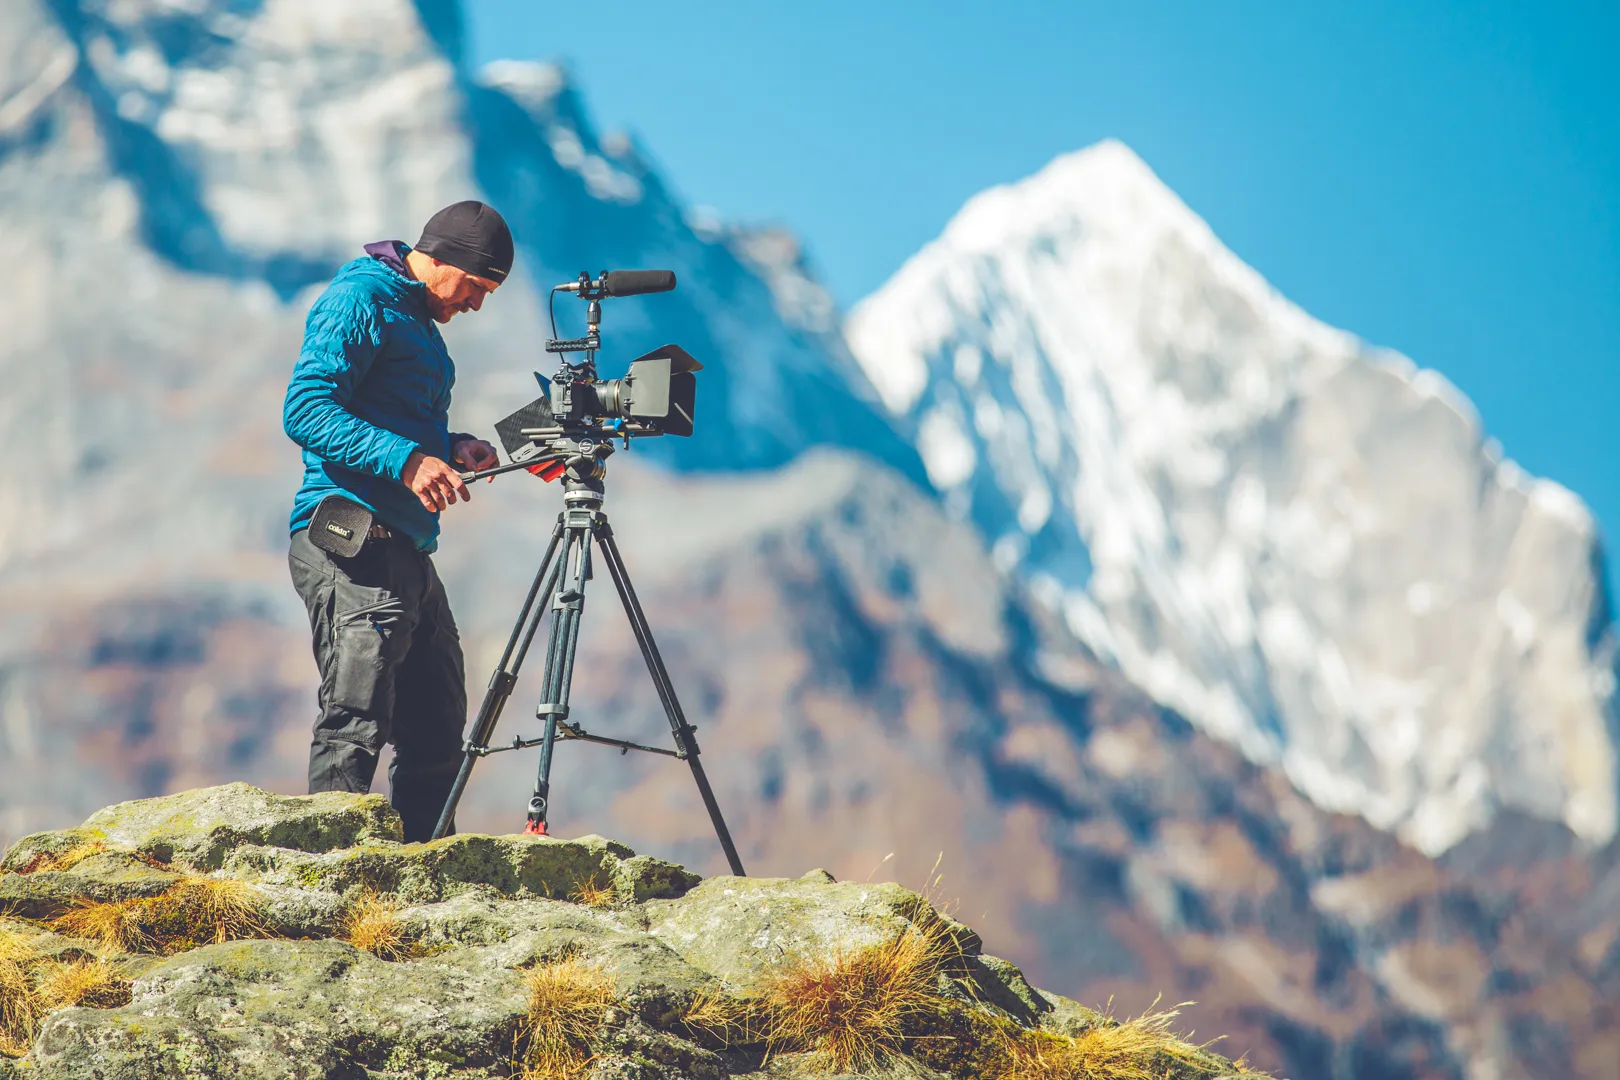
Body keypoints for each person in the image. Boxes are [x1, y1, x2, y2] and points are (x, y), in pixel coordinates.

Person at [282, 200, 512, 841]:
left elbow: (391, 412)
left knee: (439, 727)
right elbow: (306, 409)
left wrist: (450, 443)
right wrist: (409, 461)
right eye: (476, 286)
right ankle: (330, 886)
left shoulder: (416, 315)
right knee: (355, 719)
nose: (476, 303)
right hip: (350, 543)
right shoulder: (359, 299)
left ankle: (425, 887)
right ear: (442, 260)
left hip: (405, 550)